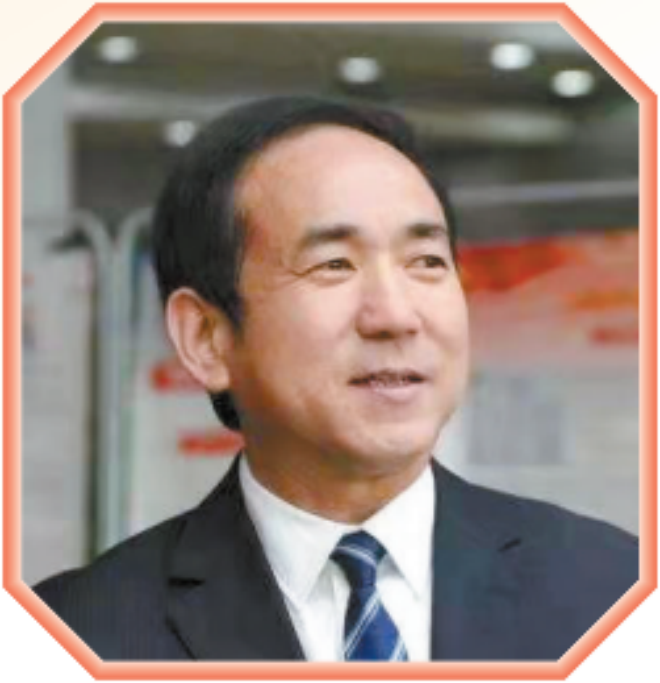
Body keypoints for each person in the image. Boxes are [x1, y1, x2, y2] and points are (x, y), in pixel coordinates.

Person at [34, 96, 638, 662]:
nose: (396, 315)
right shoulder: (75, 636)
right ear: (206, 337)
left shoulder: (613, 592)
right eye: (334, 265)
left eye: (426, 261)